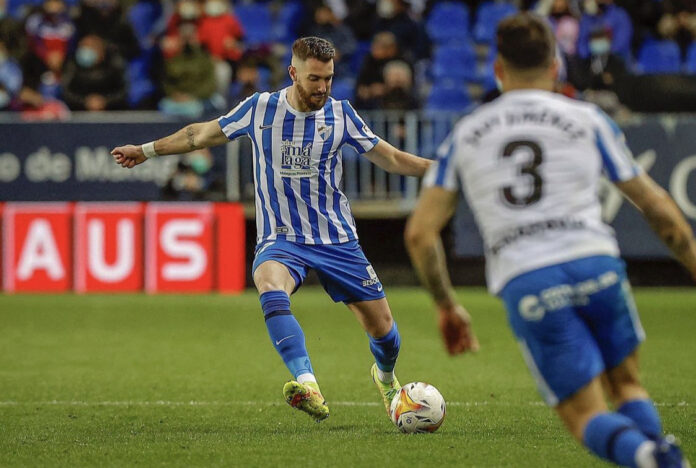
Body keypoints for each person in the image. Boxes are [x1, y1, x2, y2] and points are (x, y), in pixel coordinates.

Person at [405, 13, 691, 468]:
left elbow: (420, 233)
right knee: (628, 386)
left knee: (583, 416)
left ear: (497, 69)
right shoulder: (587, 119)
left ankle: (652, 458)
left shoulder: (467, 134)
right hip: (597, 263)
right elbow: (656, 207)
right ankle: (653, 452)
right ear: (556, 67)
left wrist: (446, 305)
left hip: (529, 278)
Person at [111, 36, 432, 422]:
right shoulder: (260, 109)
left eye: (328, 79)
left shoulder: (342, 115)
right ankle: (308, 383)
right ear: (293, 73)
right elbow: (199, 135)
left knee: (384, 332)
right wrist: (145, 151)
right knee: (267, 280)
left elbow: (393, 158)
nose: (323, 88)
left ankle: (385, 378)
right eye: (315, 79)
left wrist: (445, 173)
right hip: (281, 237)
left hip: (336, 239)